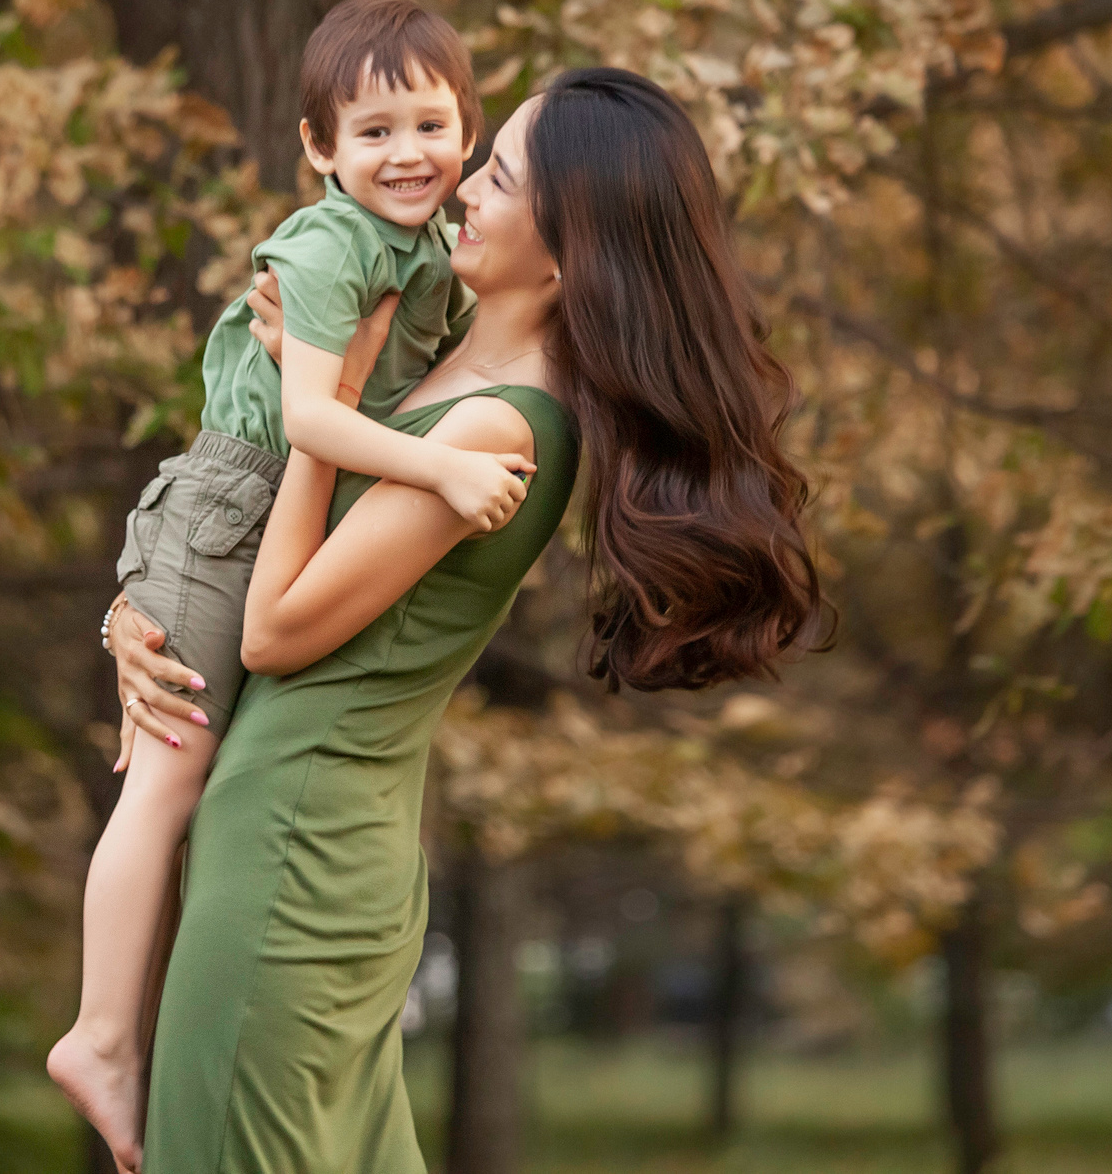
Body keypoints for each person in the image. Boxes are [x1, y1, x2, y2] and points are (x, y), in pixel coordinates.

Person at [104, 67, 828, 1174]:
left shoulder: (496, 425)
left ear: (568, 246)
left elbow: (276, 632)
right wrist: (144, 617)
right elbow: (254, 534)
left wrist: (329, 404)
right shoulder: (450, 365)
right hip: (317, 841)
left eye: (496, 174)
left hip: (295, 858)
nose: (458, 186)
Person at [47, 0, 540, 1166]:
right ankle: (102, 1034)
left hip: (263, 513)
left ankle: (114, 1029)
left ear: (464, 130)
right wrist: (439, 468)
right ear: (317, 150)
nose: (407, 154)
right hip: (228, 510)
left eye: (429, 126)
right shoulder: (327, 246)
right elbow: (317, 415)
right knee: (163, 776)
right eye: (370, 133)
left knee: (178, 766)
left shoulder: (435, 260)